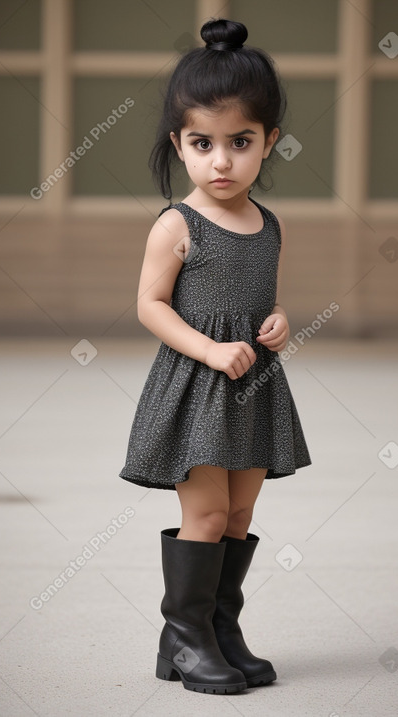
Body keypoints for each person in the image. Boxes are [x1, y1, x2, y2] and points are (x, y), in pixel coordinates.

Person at [119, 17, 311, 695]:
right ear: (179, 142)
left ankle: (219, 625)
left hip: (254, 388)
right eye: (202, 143)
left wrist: (278, 324)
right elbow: (150, 305)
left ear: (269, 144)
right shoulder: (178, 224)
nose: (221, 161)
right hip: (197, 388)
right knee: (203, 513)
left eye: (240, 142)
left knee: (238, 515)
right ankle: (187, 633)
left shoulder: (268, 224)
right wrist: (207, 347)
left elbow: (264, 301)